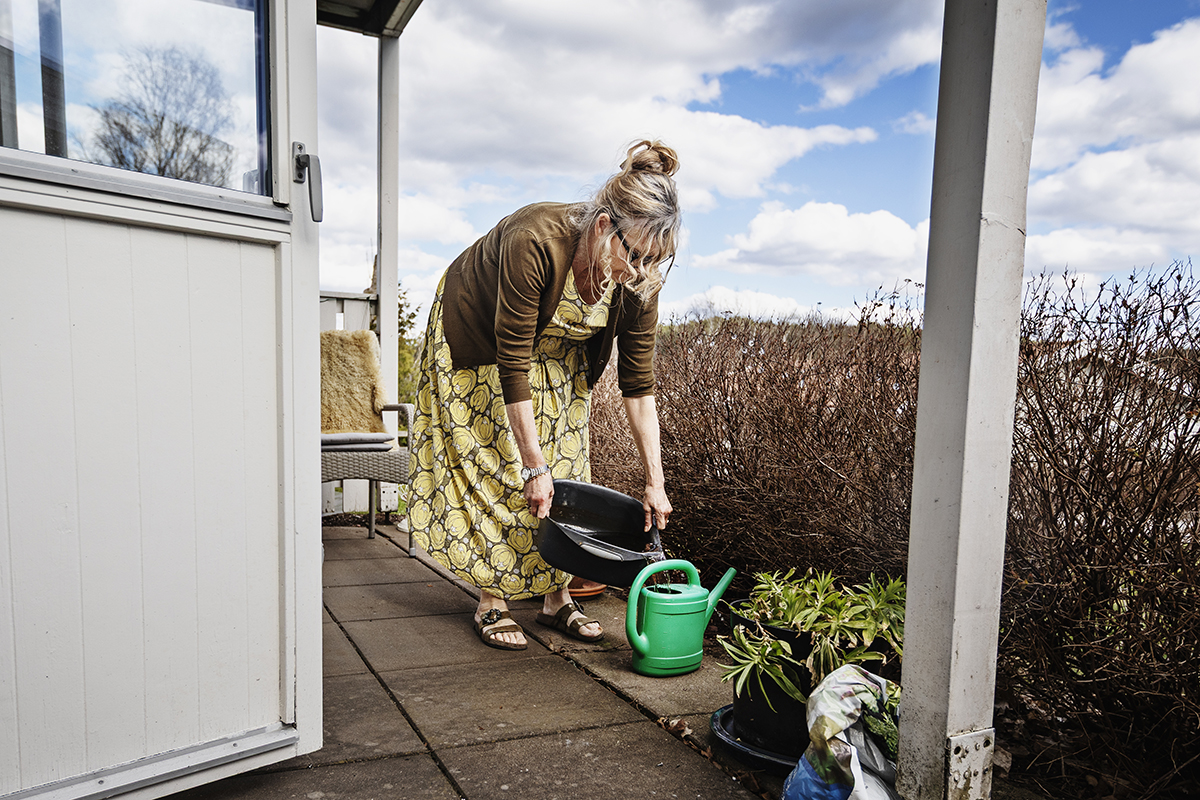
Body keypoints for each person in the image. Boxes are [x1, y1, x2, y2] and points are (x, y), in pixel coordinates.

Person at [408, 139, 680, 650]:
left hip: (558, 348)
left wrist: (655, 483)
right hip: (480, 336)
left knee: (569, 464)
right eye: (636, 255)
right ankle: (492, 600)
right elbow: (512, 359)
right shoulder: (536, 238)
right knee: (504, 463)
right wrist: (533, 465)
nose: (642, 271)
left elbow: (639, 386)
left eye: (657, 260)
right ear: (604, 227)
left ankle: (558, 599)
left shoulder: (640, 280)